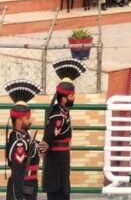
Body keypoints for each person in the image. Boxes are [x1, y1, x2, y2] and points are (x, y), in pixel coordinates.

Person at [42, 58, 86, 200]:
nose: (74, 98)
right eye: (72, 96)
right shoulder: (58, 116)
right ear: (64, 99)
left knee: (62, 191)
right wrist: (45, 145)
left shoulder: (62, 112)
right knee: (58, 193)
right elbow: (49, 137)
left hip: (61, 159)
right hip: (57, 161)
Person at [5, 79, 44, 200]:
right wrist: (19, 196)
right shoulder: (19, 142)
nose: (30, 121)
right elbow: (18, 171)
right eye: (27, 118)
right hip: (23, 186)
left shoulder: (24, 136)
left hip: (30, 184)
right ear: (19, 121)